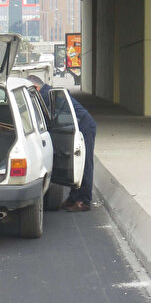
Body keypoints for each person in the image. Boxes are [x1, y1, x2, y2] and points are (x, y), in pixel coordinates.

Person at [27, 74, 96, 212]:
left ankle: (83, 200)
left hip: (83, 126)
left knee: (83, 163)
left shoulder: (46, 95)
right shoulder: (47, 93)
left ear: (36, 87)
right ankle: (73, 198)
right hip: (72, 125)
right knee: (72, 163)